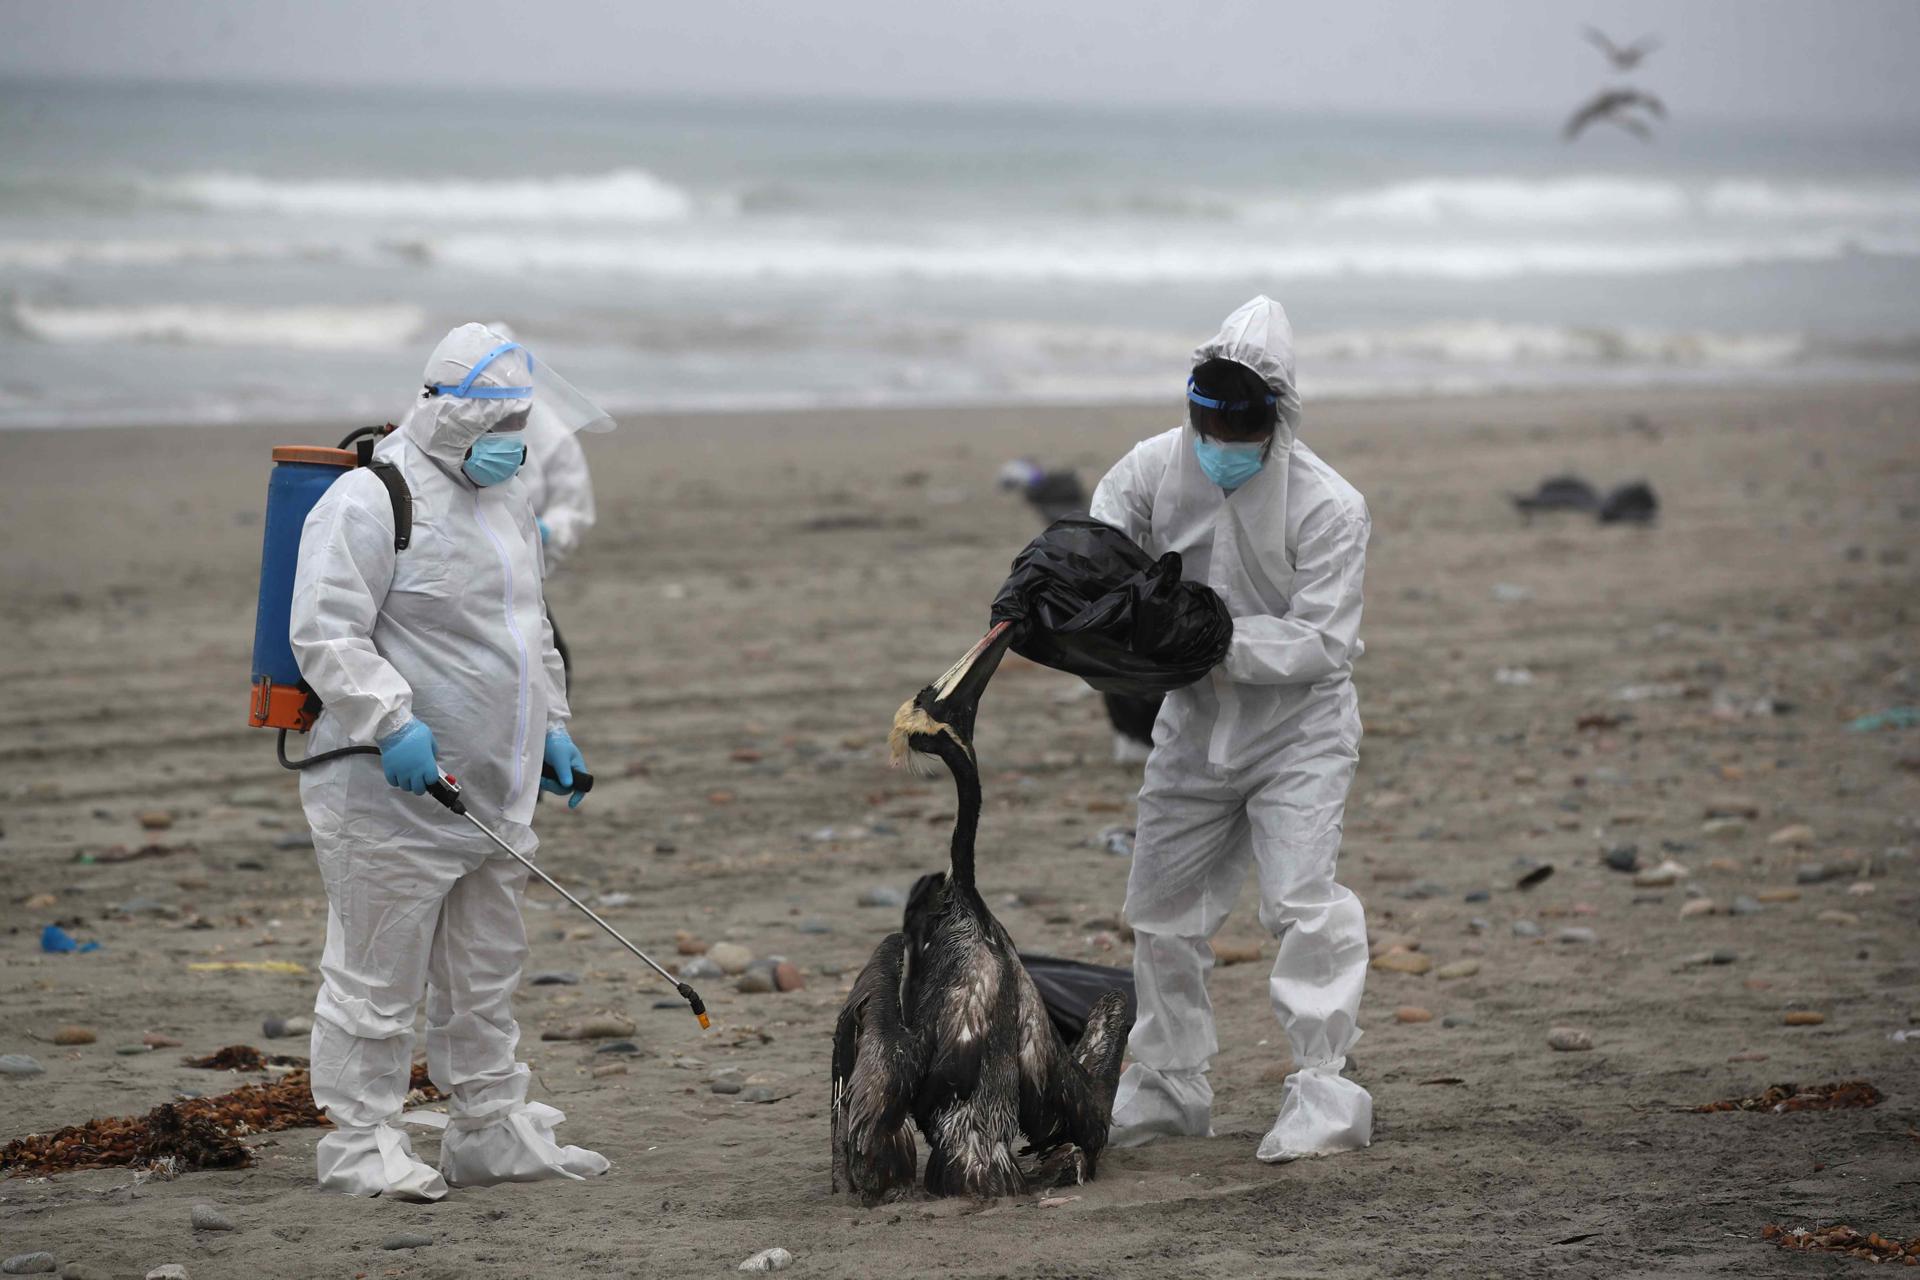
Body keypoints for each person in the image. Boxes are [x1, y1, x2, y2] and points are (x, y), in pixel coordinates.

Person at [290, 322, 613, 1199]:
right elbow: (324, 629)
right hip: (387, 790)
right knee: (375, 975)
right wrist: (391, 722)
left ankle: (488, 1128)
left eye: (520, 420)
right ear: (443, 414)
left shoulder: (504, 504)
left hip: (494, 792)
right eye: (494, 421)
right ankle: (362, 1143)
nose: (511, 440)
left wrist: (552, 726)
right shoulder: (368, 501)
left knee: (484, 972)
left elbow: (526, 631)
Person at [1088, 295, 1373, 1164]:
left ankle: (1324, 1091)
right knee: (1162, 910)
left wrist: (1213, 638)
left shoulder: (1329, 506)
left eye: (1241, 431)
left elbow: (1325, 639)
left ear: (1275, 421)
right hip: (1192, 724)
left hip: (1298, 733)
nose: (1222, 447)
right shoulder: (1151, 468)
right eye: (1209, 425)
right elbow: (1103, 543)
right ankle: (1169, 1086)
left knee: (1299, 903)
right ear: (1192, 408)